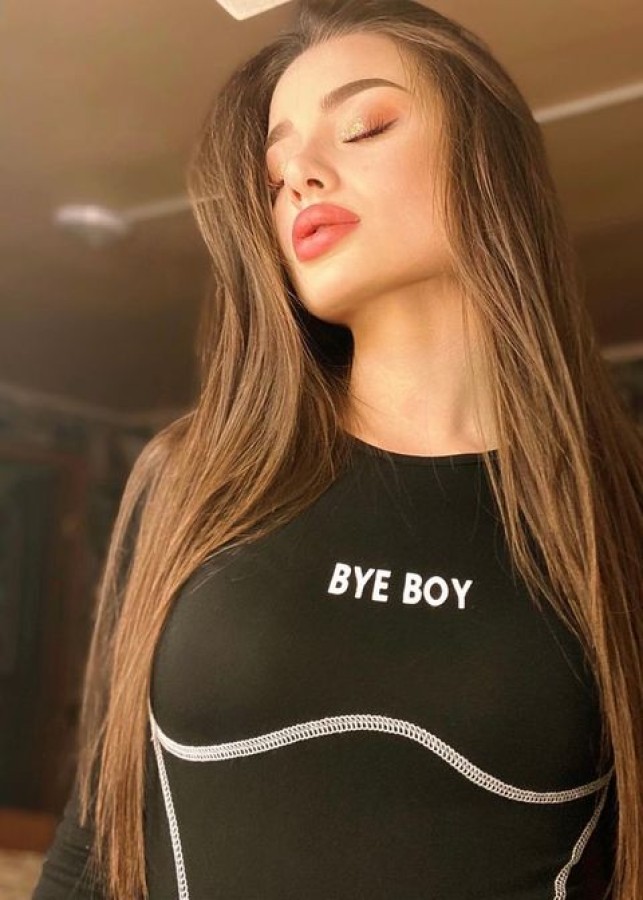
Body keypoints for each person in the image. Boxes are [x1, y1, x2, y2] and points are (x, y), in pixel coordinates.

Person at [33, 1, 642, 898]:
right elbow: (95, 840)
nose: (301, 179)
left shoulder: (618, 509)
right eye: (274, 173)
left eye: (364, 127)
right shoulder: (192, 481)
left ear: (492, 158)